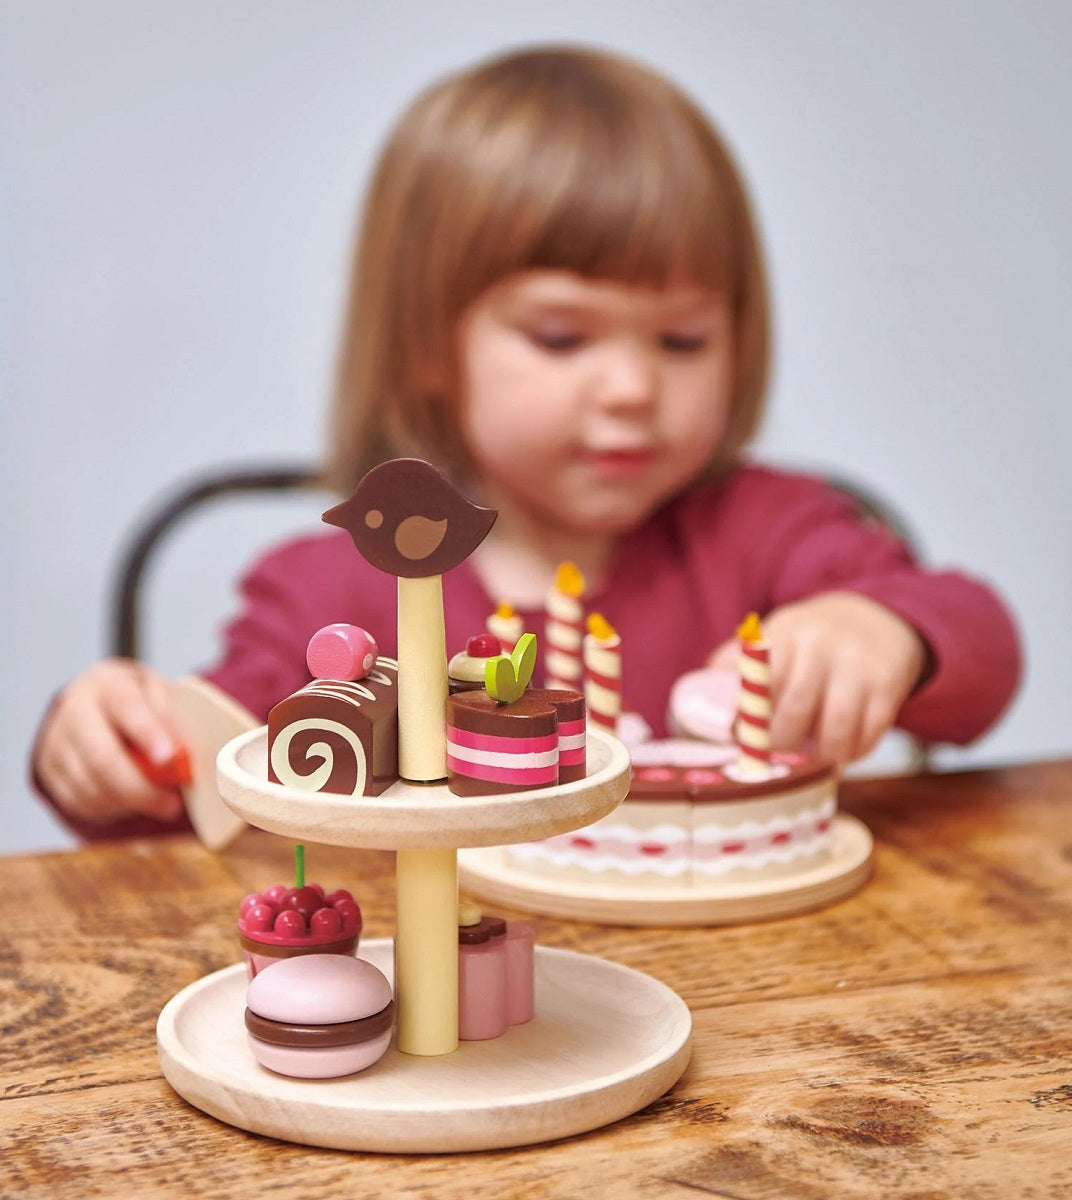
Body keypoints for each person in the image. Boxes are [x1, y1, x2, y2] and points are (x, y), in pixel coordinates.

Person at [31, 45, 1021, 841]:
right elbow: (191, 791)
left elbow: (978, 650)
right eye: (561, 337)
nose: (633, 389)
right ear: (428, 346)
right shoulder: (326, 599)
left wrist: (886, 632)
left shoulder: (769, 532)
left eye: (682, 340)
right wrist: (112, 744)